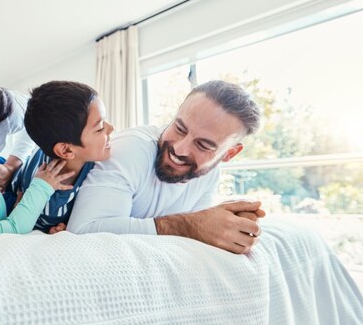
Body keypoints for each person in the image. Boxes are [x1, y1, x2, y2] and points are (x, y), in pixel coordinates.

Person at [67, 80, 265, 254]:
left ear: (228, 154)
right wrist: (191, 226)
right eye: (179, 128)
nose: (179, 149)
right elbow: (83, 229)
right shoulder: (131, 148)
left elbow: (201, 227)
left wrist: (235, 225)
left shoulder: (210, 174)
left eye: (203, 145)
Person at [8, 81, 114, 233]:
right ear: (66, 150)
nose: (111, 128)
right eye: (99, 128)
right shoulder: (52, 207)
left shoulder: (57, 146)